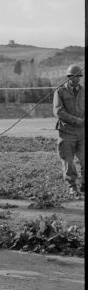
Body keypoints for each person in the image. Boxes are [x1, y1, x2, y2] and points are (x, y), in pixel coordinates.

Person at [53, 64, 85, 197]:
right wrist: (75, 120)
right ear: (68, 77)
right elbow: (58, 111)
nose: (76, 79)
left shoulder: (84, 91)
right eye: (73, 76)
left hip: (83, 132)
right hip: (67, 132)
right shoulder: (60, 91)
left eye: (78, 76)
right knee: (68, 161)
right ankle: (72, 186)